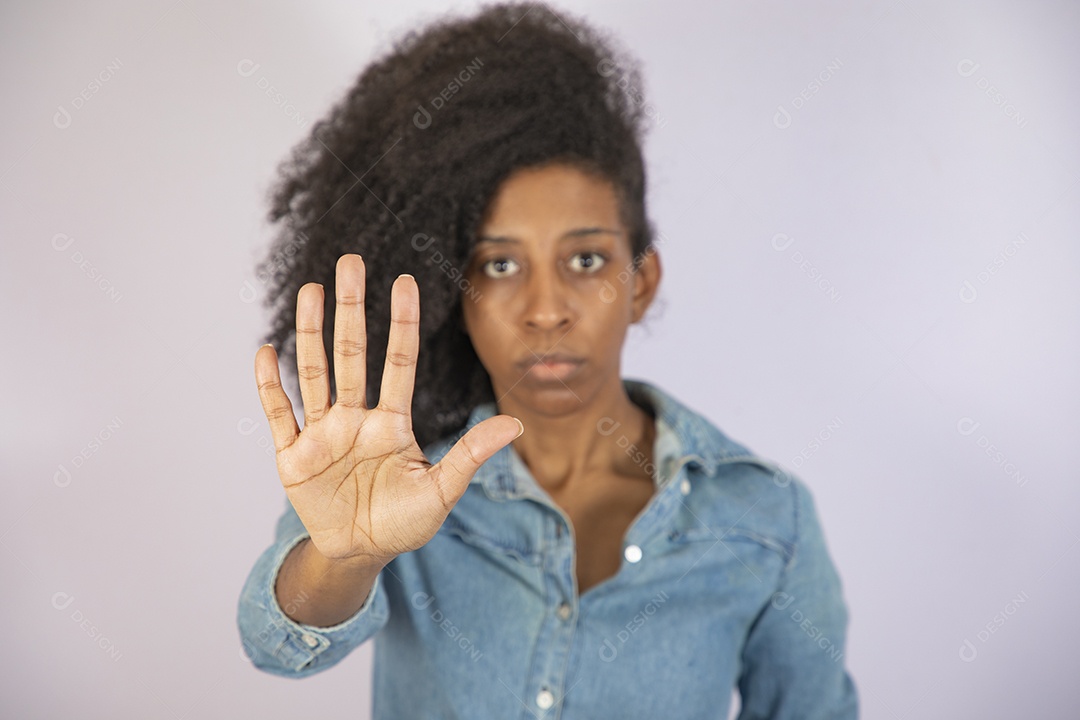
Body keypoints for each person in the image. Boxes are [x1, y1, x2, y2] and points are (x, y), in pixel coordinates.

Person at [236, 3, 858, 718]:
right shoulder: (396, 489)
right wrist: (347, 555)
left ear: (642, 282)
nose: (546, 308)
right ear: (454, 294)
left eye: (586, 259)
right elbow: (274, 643)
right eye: (500, 266)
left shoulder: (764, 520)